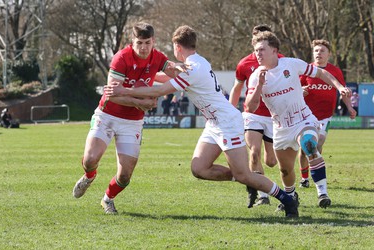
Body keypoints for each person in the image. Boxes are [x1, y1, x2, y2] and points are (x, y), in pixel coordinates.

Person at [107, 25, 299, 217]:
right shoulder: (196, 63)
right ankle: (248, 181)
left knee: (243, 174)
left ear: (177, 47)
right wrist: (140, 75)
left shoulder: (193, 68)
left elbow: (159, 90)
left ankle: (287, 199)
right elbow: (165, 77)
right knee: (199, 168)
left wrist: (124, 90)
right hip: (214, 123)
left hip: (226, 122)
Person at [72, 22, 188, 214]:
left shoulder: (158, 57)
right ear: (132, 42)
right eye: (139, 43)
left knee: (125, 175)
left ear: (154, 42)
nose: (143, 48)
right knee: (90, 159)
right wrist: (141, 102)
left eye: (147, 43)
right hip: (107, 114)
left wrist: (186, 68)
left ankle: (107, 199)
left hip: (133, 122)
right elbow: (113, 95)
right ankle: (89, 176)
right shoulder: (121, 58)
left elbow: (171, 71)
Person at [245, 31, 351, 209]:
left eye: (262, 49)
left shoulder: (291, 64)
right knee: (285, 171)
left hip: (303, 119)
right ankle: (291, 195)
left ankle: (322, 193)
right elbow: (251, 106)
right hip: (281, 128)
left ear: (274, 50)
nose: (258, 54)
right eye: (256, 50)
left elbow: (321, 73)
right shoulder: (256, 76)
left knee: (310, 145)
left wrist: (340, 87)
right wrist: (260, 86)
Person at [229, 24, 280, 208]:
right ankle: (262, 194)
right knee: (254, 152)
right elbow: (236, 89)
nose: (257, 43)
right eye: (255, 39)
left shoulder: (281, 61)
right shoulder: (244, 64)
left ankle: (267, 185)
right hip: (252, 115)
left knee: (271, 161)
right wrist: (228, 111)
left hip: (274, 116)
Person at [298, 39, 356, 188]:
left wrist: (349, 107)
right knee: (305, 149)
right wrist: (300, 91)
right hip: (305, 116)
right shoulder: (306, 70)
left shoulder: (335, 71)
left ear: (328, 54)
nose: (319, 53)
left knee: (318, 144)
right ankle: (304, 178)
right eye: (316, 50)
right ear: (313, 53)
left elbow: (342, 91)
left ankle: (316, 174)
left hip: (325, 116)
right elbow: (294, 90)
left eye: (322, 50)